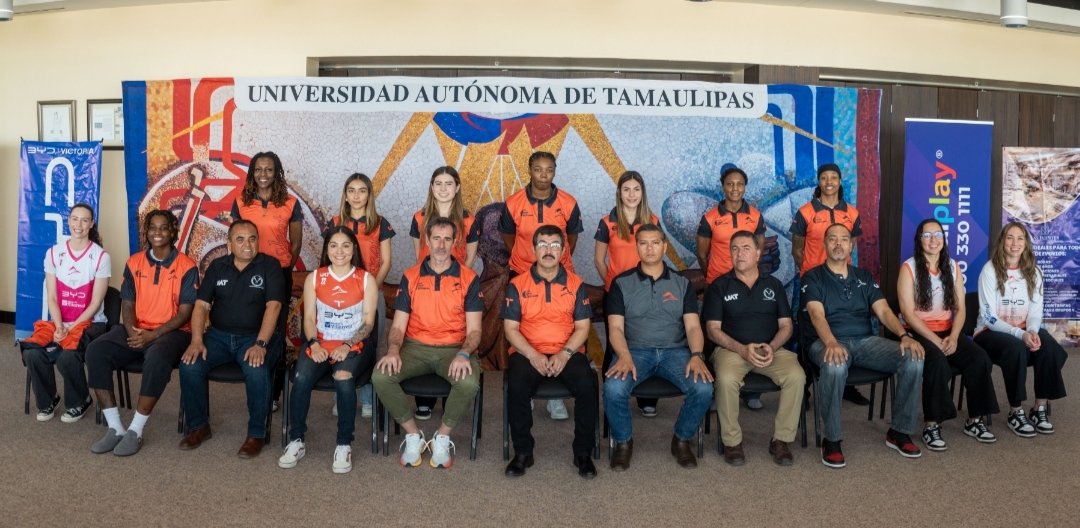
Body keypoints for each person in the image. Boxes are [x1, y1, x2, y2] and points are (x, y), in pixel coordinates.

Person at [803, 224, 925, 468]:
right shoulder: (812, 276)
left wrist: (904, 336)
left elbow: (884, 311)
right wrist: (831, 343)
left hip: (864, 342)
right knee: (835, 365)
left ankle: (899, 432)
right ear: (824, 244)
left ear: (851, 245)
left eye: (844, 239)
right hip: (825, 342)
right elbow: (817, 315)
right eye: (833, 239)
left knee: (913, 357)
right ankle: (832, 439)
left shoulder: (864, 277)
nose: (839, 244)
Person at [372, 217, 483, 469]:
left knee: (468, 382)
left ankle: (442, 437)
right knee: (380, 376)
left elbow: (475, 331)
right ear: (427, 241)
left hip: (454, 349)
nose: (441, 245)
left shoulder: (469, 278)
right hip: (415, 348)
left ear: (455, 242)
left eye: (447, 239)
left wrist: (464, 354)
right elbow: (398, 326)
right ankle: (413, 435)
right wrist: (393, 350)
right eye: (436, 238)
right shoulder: (410, 276)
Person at [86, 210, 198, 456]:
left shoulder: (187, 266)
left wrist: (153, 335)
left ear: (173, 231)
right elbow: (127, 303)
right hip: (137, 327)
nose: (158, 233)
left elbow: (185, 313)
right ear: (146, 232)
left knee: (157, 357)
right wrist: (132, 331)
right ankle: (115, 428)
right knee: (96, 351)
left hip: (174, 332)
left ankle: (135, 430)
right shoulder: (134, 262)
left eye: (164, 228)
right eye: (152, 228)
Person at [603, 224, 714, 471]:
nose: (650, 248)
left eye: (655, 243)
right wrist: (623, 355)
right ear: (637, 247)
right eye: (643, 243)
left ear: (664, 247)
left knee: (704, 389)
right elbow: (615, 329)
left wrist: (697, 355)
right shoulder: (621, 284)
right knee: (613, 388)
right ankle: (623, 443)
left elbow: (694, 328)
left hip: (675, 352)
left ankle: (682, 440)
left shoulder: (681, 283)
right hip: (634, 351)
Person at [177, 220, 284, 458]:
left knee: (256, 369)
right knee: (190, 365)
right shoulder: (217, 266)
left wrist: (261, 344)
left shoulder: (270, 265)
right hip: (219, 336)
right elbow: (201, 305)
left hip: (257, 337)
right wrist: (196, 340)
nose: (247, 244)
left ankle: (257, 433)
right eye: (240, 239)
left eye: (252, 238)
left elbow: (274, 306)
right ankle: (199, 427)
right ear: (229, 244)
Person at [279, 226, 379, 473]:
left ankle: (344, 443)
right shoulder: (316, 277)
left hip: (354, 344)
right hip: (321, 342)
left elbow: (368, 323)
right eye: (333, 245)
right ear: (327, 250)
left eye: (345, 245)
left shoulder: (365, 279)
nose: (339, 251)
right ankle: (296, 440)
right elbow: (309, 319)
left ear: (354, 248)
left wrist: (347, 345)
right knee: (300, 377)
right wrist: (314, 344)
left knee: (343, 378)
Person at [503, 225, 597, 479]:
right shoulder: (517, 284)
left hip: (567, 352)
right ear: (533, 250)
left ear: (563, 250)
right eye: (543, 245)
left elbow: (582, 328)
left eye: (555, 245)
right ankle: (523, 452)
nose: (548, 250)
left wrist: (564, 354)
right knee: (517, 386)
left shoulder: (576, 284)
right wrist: (533, 355)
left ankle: (583, 453)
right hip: (526, 352)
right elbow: (511, 329)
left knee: (588, 385)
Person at [704, 230, 804, 466]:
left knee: (797, 376)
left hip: (771, 349)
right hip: (731, 351)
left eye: (746, 248)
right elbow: (712, 330)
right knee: (726, 380)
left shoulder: (774, 285)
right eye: (735, 249)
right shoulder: (720, 286)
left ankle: (781, 440)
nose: (740, 254)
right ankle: (732, 442)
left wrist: (772, 346)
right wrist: (741, 349)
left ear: (758, 254)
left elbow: (786, 326)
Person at [898, 219, 999, 450]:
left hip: (946, 330)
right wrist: (935, 341)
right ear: (919, 239)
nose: (933, 240)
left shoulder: (953, 266)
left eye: (938, 234)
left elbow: (961, 309)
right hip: (917, 331)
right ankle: (931, 425)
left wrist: (953, 337)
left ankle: (974, 421)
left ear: (943, 239)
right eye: (927, 235)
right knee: (937, 360)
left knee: (979, 358)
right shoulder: (909, 268)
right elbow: (907, 314)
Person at [499, 151, 583, 421]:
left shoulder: (568, 202)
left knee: (558, 329)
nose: (543, 175)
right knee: (525, 329)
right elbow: (509, 237)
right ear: (530, 171)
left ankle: (556, 396)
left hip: (559, 273)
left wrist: (553, 261)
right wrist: (529, 263)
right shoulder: (513, 202)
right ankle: (528, 390)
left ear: (554, 172)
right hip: (522, 273)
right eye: (538, 169)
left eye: (549, 170)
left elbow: (569, 239)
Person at [973, 222, 1067, 437]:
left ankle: (1038, 409)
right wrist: (1020, 334)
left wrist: (1032, 331)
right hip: (989, 332)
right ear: (1002, 241)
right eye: (1010, 238)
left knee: (1050, 347)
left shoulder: (1034, 271)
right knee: (1016, 349)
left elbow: (1035, 310)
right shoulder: (990, 270)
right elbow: (989, 317)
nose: (1015, 243)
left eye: (1020, 238)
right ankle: (1015, 412)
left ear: (1026, 243)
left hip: (1024, 328)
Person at [21, 203, 110, 423]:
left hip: (91, 323)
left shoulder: (101, 257)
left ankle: (80, 401)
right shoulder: (53, 253)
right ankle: (49, 400)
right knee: (33, 352)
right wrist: (60, 325)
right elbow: (51, 297)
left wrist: (71, 327)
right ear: (68, 221)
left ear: (91, 224)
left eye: (84, 220)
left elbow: (96, 302)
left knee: (67, 356)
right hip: (60, 321)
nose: (78, 224)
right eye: (74, 219)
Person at [790, 163, 870, 407]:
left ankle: (845, 384)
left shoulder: (852, 213)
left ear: (839, 181)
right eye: (824, 177)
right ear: (819, 182)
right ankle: (803, 388)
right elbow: (797, 249)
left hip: (841, 280)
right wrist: (812, 272)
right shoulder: (805, 212)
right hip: (813, 281)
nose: (829, 181)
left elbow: (850, 245)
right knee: (807, 334)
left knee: (843, 330)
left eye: (833, 177)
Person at [231, 151, 302, 408]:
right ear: (252, 173)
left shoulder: (291, 203)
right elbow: (235, 239)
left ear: (277, 172)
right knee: (250, 327)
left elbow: (296, 244)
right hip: (246, 274)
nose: (263, 175)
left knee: (276, 335)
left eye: (269, 170)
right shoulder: (240, 202)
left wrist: (280, 270)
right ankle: (254, 384)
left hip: (277, 273)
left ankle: (273, 394)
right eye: (258, 169)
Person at [409, 166, 480, 419]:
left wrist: (457, 285)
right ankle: (424, 401)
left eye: (448, 183)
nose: (443, 188)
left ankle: (451, 396)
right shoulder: (420, 217)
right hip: (425, 287)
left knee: (452, 337)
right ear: (431, 187)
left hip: (456, 288)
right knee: (424, 336)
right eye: (437, 183)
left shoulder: (469, 219)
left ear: (457, 187)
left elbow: (470, 257)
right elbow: (419, 255)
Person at [696, 165, 767, 411]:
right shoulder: (709, 218)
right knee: (714, 337)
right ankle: (716, 390)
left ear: (745, 187)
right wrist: (716, 280)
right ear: (723, 186)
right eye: (730, 184)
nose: (734, 188)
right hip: (718, 285)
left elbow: (758, 252)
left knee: (753, 328)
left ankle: (751, 392)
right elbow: (702, 255)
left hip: (750, 284)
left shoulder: (756, 216)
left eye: (739, 184)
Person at [325, 173, 395, 419]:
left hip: (371, 292)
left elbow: (386, 262)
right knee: (339, 342)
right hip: (340, 294)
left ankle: (367, 397)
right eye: (351, 190)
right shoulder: (334, 223)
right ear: (345, 195)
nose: (356, 196)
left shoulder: (380, 223)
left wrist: (371, 289)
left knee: (370, 346)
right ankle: (341, 396)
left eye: (362, 190)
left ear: (369, 194)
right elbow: (327, 260)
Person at [594, 170, 660, 417]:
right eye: (626, 189)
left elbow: (657, 256)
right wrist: (614, 285)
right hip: (617, 294)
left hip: (647, 293)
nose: (631, 194)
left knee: (646, 340)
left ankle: (647, 399)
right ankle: (611, 395)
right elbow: (599, 260)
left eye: (636, 189)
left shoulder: (652, 220)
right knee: (615, 345)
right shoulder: (607, 222)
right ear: (619, 193)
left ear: (642, 193)